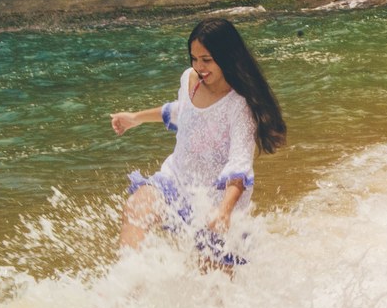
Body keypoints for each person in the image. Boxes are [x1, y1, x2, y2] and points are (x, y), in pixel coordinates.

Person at [110, 18, 286, 264]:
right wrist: (135, 118)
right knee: (137, 206)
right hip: (177, 179)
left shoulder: (239, 106)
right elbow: (183, 112)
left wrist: (224, 212)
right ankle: (125, 283)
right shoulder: (189, 80)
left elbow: (240, 165)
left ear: (226, 57)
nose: (199, 66)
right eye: (194, 58)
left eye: (206, 60)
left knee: (213, 288)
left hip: (214, 202)